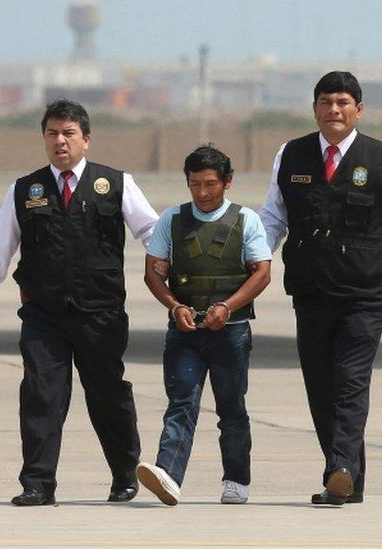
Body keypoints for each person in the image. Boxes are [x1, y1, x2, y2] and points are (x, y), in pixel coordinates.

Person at [259, 71, 382, 505]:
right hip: (310, 291)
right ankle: (348, 480)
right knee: (320, 385)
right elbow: (272, 217)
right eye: (326, 102)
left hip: (363, 293)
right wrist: (256, 260)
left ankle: (338, 468)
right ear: (315, 108)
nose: (334, 110)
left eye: (343, 102)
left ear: (358, 109)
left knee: (351, 382)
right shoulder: (291, 154)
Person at [0, 99, 158, 505]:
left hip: (100, 314)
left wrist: (176, 276)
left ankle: (124, 474)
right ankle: (37, 484)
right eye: (52, 133)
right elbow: (0, 246)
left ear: (86, 140)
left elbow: (152, 232)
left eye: (69, 133)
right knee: (41, 395)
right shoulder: (25, 189)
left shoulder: (116, 183)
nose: (60, 141)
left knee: (107, 396)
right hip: (44, 315)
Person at [136, 145, 271, 505]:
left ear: (228, 182)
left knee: (231, 407)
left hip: (232, 332)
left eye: (210, 183)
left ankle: (237, 480)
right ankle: (168, 474)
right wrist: (174, 304)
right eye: (194, 184)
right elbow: (153, 271)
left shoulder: (247, 221)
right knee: (181, 401)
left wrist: (228, 307)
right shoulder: (172, 220)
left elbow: (262, 273)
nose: (202, 192)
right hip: (184, 332)